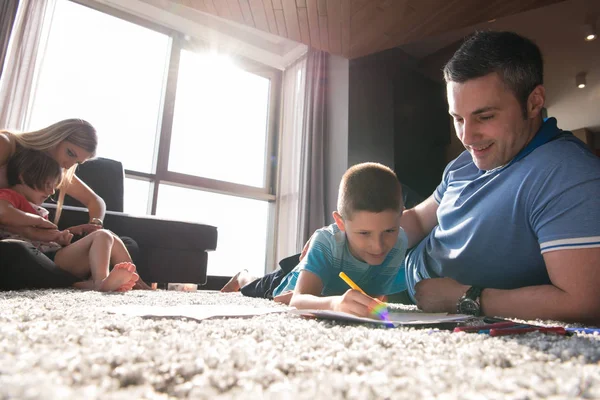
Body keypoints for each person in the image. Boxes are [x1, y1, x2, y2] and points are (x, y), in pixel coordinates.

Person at [397, 31, 600, 324]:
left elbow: (585, 302)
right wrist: (355, 241)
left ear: (534, 102)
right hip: (390, 264)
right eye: (458, 118)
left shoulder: (568, 174)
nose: (467, 137)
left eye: (485, 116)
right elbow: (417, 219)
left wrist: (464, 298)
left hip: (409, 296)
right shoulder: (466, 161)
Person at [222, 162, 408, 318]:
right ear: (340, 223)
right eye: (364, 233)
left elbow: (375, 296)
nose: (378, 246)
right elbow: (298, 299)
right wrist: (334, 303)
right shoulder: (326, 242)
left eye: (389, 230)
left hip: (321, 273)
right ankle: (242, 275)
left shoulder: (399, 242)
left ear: (401, 216)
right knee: (253, 287)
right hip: (286, 282)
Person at [0, 119, 151, 289]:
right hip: (13, 245)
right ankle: (92, 282)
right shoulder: (7, 144)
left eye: (77, 162)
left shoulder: (53, 169)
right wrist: (31, 227)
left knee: (120, 242)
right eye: (70, 153)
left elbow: (96, 201)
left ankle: (137, 285)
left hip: (43, 246)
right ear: (56, 137)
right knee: (17, 251)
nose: (69, 165)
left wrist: (94, 225)